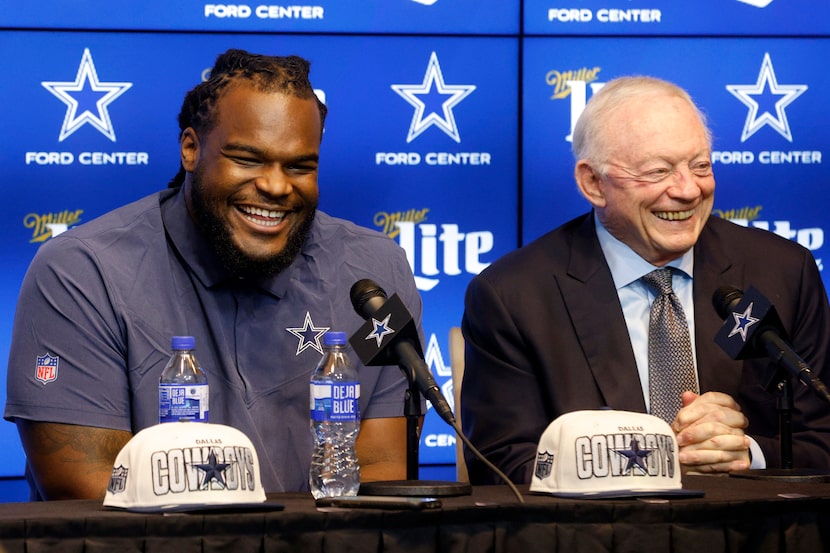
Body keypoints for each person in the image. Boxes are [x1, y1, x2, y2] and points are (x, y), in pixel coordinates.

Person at [5, 49, 423, 500]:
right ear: (190, 149)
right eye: (247, 159)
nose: (277, 186)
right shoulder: (81, 272)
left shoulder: (376, 274)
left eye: (300, 166)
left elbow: (381, 473)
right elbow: (89, 492)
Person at [461, 76, 830, 485]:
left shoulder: (781, 271)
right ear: (593, 183)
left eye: (701, 166)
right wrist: (658, 457)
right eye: (658, 171)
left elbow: (823, 436)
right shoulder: (514, 297)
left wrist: (747, 452)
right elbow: (503, 467)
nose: (689, 190)